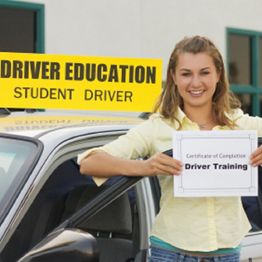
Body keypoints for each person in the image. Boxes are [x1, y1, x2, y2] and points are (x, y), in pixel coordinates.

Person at [78, 35, 262, 262]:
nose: (195, 83)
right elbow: (89, 163)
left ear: (218, 75)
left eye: (204, 72)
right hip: (170, 253)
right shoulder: (157, 127)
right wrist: (145, 167)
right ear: (174, 77)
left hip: (228, 253)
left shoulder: (240, 125)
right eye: (186, 74)